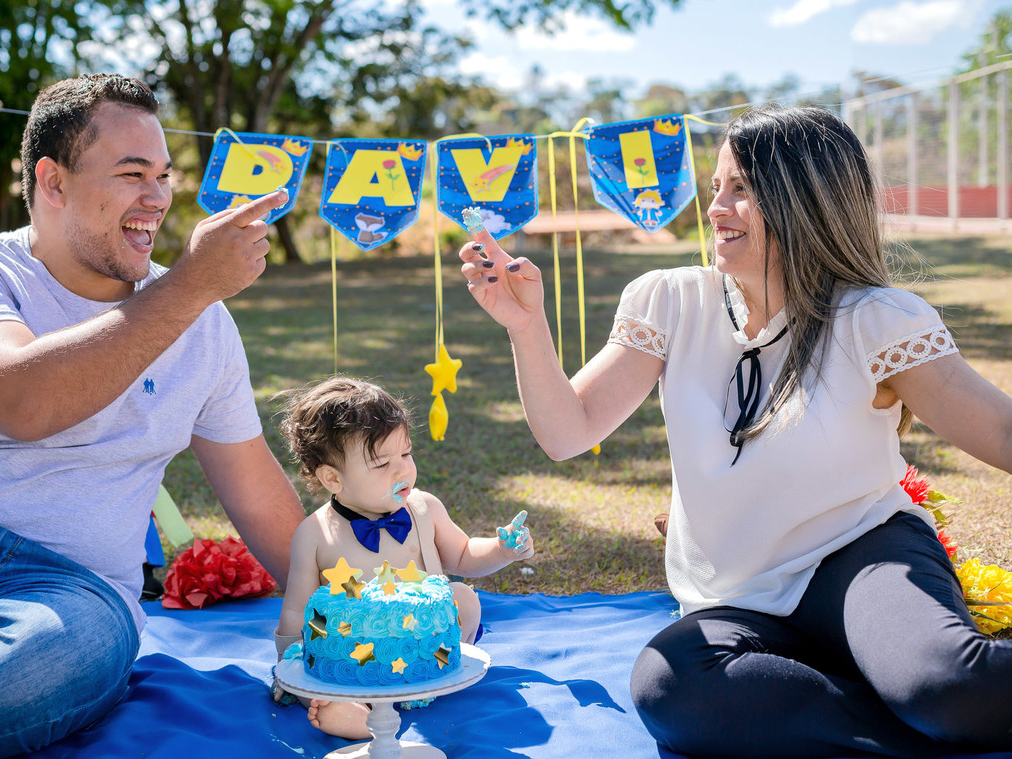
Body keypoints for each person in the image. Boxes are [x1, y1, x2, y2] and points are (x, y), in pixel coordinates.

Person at [459, 105, 1012, 758]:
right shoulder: (669, 300)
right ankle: (910, 726)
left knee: (946, 685)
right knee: (672, 686)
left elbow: (1001, 430)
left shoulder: (876, 319)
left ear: (804, 200)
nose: (717, 207)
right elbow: (567, 431)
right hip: (734, 599)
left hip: (861, 557)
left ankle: (921, 702)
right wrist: (527, 328)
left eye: (742, 189)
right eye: (717, 186)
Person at [0, 73, 306, 759]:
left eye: (162, 176)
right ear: (53, 181)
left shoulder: (203, 321)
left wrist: (351, 601)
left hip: (76, 590)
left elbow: (255, 492)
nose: (157, 198)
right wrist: (191, 283)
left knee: (32, 668)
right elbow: (26, 400)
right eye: (132, 174)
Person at [273, 377, 534, 739]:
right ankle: (349, 713)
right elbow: (296, 609)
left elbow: (462, 555)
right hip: (351, 656)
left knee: (465, 599)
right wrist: (288, 665)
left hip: (420, 649)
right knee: (318, 674)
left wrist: (502, 549)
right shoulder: (315, 533)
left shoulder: (423, 509)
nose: (402, 470)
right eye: (381, 463)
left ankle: (432, 677)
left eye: (406, 454)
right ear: (333, 478)